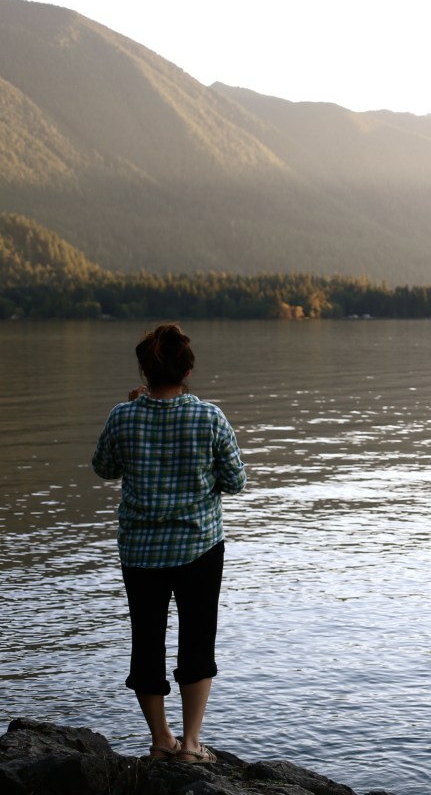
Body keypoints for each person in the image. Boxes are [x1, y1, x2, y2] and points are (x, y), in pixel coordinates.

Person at [92, 323, 246, 763]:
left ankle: (161, 740)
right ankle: (192, 744)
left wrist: (133, 414)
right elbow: (236, 481)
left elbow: (103, 468)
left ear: (145, 370)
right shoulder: (209, 417)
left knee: (147, 642)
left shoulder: (123, 416)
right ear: (188, 369)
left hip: (141, 552)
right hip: (199, 547)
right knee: (197, 639)